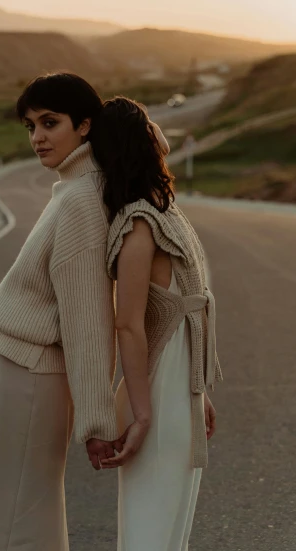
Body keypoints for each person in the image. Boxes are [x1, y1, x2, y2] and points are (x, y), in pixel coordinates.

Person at [0, 72, 120, 551]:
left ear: (86, 125)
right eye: (30, 126)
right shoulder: (72, 189)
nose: (37, 138)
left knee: (16, 511)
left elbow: (88, 318)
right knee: (10, 503)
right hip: (24, 369)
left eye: (50, 123)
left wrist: (97, 420)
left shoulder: (81, 200)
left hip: (35, 376)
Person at [91, 96, 223, 551]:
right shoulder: (139, 224)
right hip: (157, 390)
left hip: (178, 386)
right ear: (139, 139)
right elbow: (127, 324)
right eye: (148, 122)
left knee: (171, 520)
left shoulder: (166, 211)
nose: (158, 130)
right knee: (152, 521)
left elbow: (185, 314)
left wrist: (199, 390)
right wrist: (142, 414)